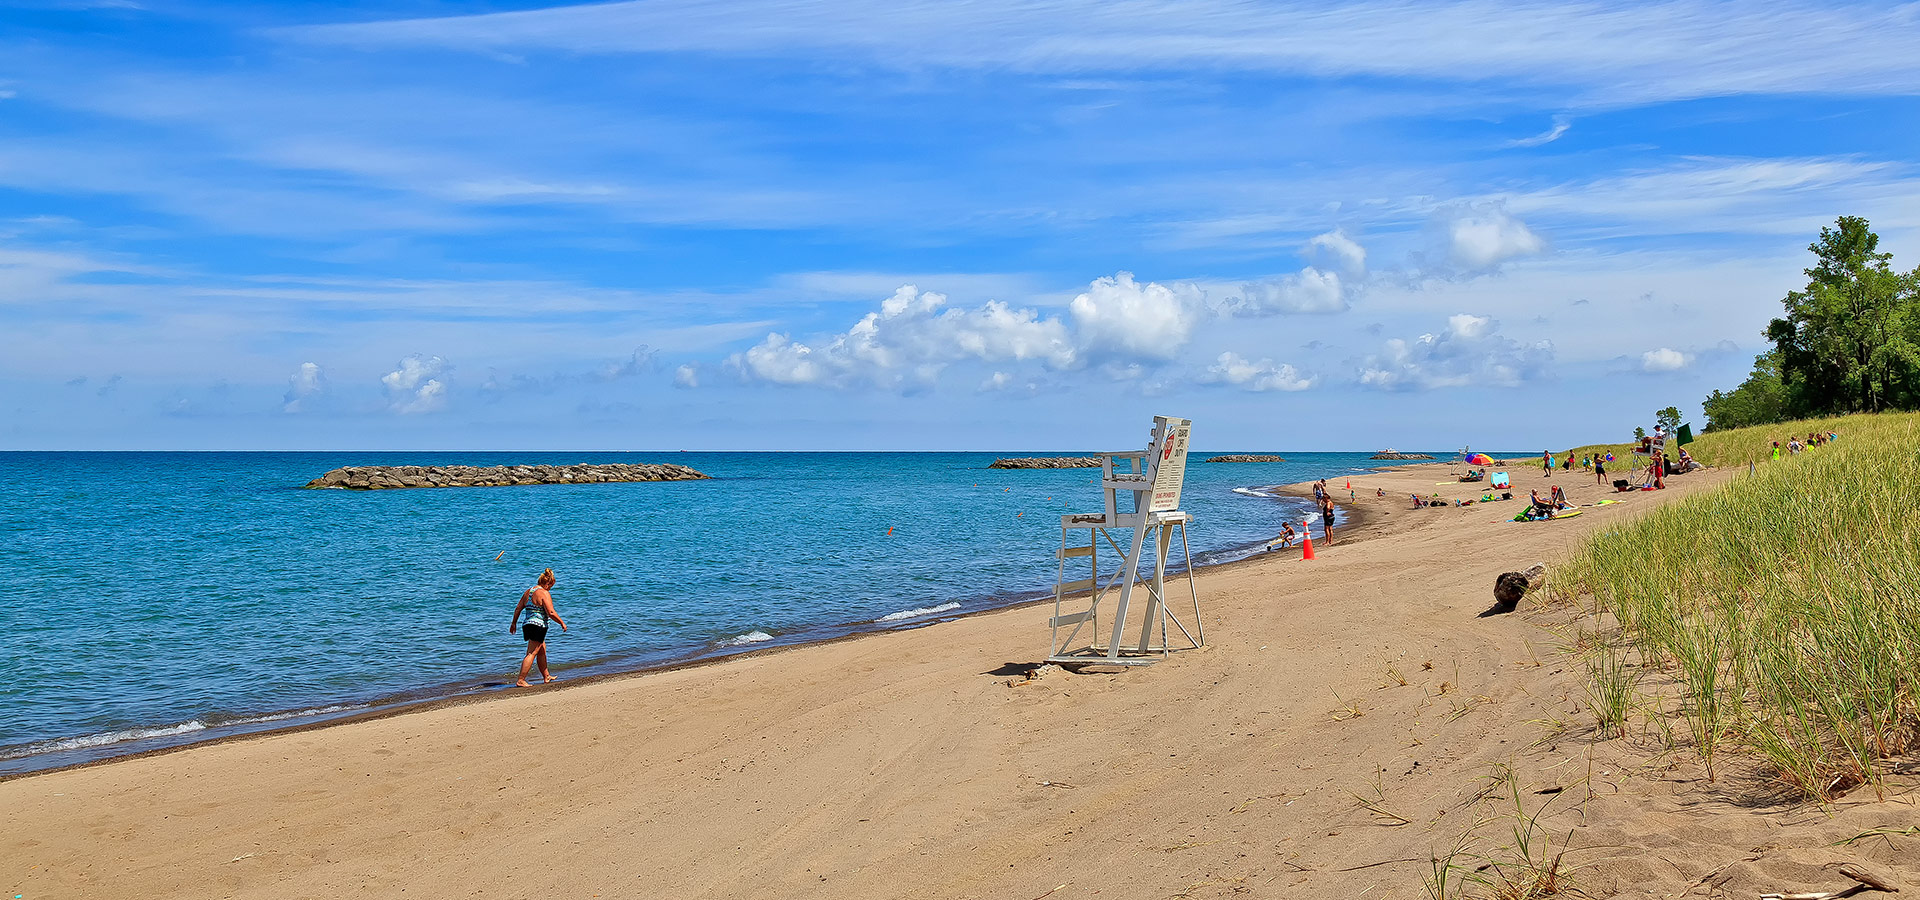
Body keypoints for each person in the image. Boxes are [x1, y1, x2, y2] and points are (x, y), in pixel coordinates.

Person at [510, 568, 568, 687]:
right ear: (548, 583)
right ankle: (521, 679)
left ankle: (546, 676)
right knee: (531, 653)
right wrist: (562, 622)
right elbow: (551, 612)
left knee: (542, 650)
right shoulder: (544, 593)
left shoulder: (528, 592)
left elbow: (518, 608)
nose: (550, 589)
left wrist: (513, 623)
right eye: (551, 586)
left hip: (527, 625)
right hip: (538, 626)